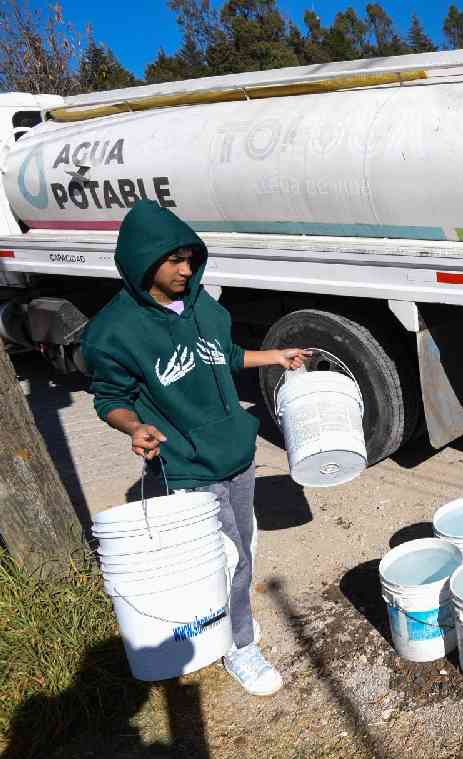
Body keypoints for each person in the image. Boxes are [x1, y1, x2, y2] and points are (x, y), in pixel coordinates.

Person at [82, 200, 310, 697]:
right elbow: (110, 399)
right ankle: (241, 647)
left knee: (242, 551)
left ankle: (229, 623)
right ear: (144, 261)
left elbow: (223, 355)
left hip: (237, 455)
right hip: (186, 468)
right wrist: (133, 427)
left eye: (190, 258)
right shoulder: (114, 332)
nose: (186, 270)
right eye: (173, 261)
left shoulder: (205, 304)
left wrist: (274, 356)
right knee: (226, 559)